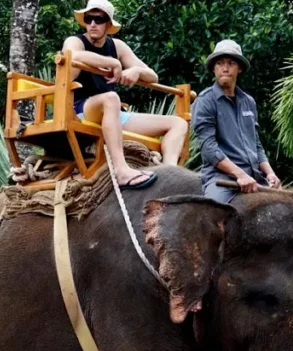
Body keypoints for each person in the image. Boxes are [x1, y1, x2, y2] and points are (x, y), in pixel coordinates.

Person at [62, 0, 189, 189]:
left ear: (109, 24)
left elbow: (152, 75)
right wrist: (112, 63)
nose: (93, 24)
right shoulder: (76, 41)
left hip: (113, 113)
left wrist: (136, 71)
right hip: (80, 109)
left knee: (178, 123)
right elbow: (72, 55)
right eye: (89, 19)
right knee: (111, 98)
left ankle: (168, 173)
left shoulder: (117, 46)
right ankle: (121, 169)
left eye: (99, 19)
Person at [191, 39, 281, 203]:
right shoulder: (205, 101)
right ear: (213, 68)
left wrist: (270, 174)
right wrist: (240, 174)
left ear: (239, 68)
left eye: (230, 63)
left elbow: (256, 144)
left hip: (254, 176)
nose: (225, 68)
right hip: (222, 179)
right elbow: (208, 148)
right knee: (214, 215)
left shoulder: (249, 102)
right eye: (219, 63)